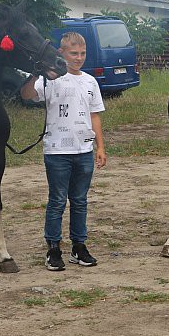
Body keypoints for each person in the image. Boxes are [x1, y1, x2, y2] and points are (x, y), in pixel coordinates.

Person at [21, 31, 107, 270]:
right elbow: (27, 95)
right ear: (62, 53)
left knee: (79, 200)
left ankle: (79, 246)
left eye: (82, 53)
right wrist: (35, 74)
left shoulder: (90, 82)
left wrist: (100, 146)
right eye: (73, 53)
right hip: (57, 151)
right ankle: (53, 248)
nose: (78, 58)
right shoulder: (49, 79)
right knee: (57, 200)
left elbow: (95, 116)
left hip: (84, 151)